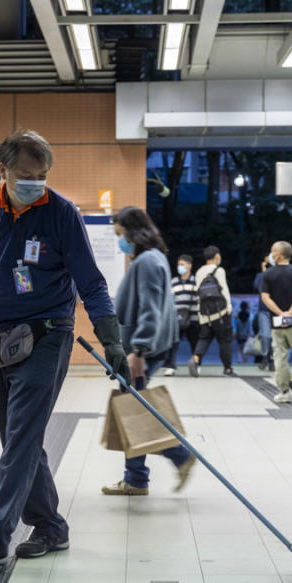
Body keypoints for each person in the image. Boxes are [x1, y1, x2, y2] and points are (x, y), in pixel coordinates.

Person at [0, 129, 128, 571]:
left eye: (43, 176)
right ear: (3, 171)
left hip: (49, 332)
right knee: (18, 436)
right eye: (26, 176)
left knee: (22, 435)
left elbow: (91, 282)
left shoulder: (62, 213)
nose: (35, 184)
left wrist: (112, 339)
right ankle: (49, 525)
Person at [101, 207, 196, 496]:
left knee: (137, 411)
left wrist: (138, 350)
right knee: (133, 408)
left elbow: (151, 310)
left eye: (121, 235)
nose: (121, 242)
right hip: (138, 347)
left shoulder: (148, 262)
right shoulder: (150, 258)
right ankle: (136, 478)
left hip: (141, 349)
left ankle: (178, 456)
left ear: (134, 231)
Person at [260, 241, 292, 404]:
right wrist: (290, 313)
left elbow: (265, 297)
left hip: (276, 324)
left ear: (278, 255)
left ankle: (283, 391)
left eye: (272, 252)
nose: (270, 255)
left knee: (280, 356)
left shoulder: (267, 274)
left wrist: (280, 313)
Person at [188, 246, 234, 377]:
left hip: (204, 314)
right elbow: (224, 289)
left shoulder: (199, 272)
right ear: (217, 256)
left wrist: (200, 312)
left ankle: (195, 359)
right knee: (225, 340)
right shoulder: (219, 270)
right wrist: (229, 306)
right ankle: (227, 368)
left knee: (204, 338)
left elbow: (198, 293)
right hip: (220, 313)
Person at [162, 254, 199, 376]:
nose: (180, 267)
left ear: (190, 266)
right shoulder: (174, 282)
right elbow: (169, 300)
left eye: (182, 265)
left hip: (193, 319)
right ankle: (170, 367)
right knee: (173, 343)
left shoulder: (196, 281)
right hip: (176, 319)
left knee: (195, 343)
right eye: (179, 265)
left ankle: (196, 365)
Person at [251, 258, 273, 369]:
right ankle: (265, 357)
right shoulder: (261, 276)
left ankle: (272, 360)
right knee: (265, 335)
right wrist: (264, 272)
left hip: (277, 310)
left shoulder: (278, 273)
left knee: (275, 336)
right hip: (264, 310)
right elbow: (258, 287)